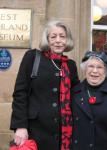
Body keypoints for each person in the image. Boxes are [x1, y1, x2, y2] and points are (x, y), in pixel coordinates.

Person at [10, 20, 80, 150]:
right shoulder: (32, 57)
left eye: (62, 36)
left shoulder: (71, 65)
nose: (58, 40)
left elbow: (78, 94)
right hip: (35, 130)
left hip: (63, 133)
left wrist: (106, 88)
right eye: (53, 36)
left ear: (67, 39)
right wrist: (20, 126)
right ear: (47, 40)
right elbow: (20, 93)